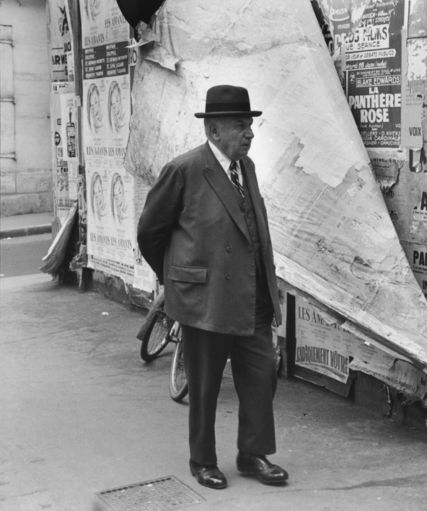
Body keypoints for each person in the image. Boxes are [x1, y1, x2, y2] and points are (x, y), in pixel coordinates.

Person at [137, 85, 287, 490]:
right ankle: (202, 460)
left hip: (252, 296)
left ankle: (252, 454)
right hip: (205, 299)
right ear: (215, 130)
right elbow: (150, 232)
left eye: (250, 125)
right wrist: (177, 280)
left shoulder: (247, 169)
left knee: (262, 374)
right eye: (241, 126)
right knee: (203, 386)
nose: (250, 133)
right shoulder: (185, 170)